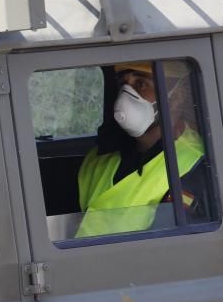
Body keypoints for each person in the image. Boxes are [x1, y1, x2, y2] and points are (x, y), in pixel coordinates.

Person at [75, 61, 209, 238]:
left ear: (177, 95)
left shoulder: (197, 167)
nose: (125, 97)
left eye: (141, 84)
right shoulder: (97, 159)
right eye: (123, 84)